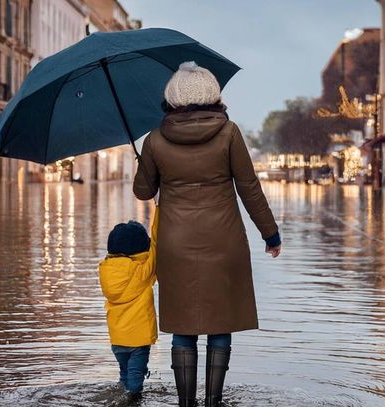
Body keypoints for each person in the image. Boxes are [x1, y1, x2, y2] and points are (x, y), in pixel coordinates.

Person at [133, 61, 281, 407]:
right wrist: (270, 234)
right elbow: (250, 188)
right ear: (212, 93)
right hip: (223, 239)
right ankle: (213, 403)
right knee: (220, 323)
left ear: (173, 96)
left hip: (176, 243)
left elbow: (143, 191)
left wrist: (144, 160)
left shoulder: (154, 140)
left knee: (183, 327)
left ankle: (186, 404)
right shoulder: (229, 133)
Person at [98, 207, 159, 400]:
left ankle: (122, 396)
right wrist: (159, 208)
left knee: (124, 376)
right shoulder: (141, 273)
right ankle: (131, 400)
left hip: (117, 340)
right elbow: (157, 245)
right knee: (134, 385)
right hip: (138, 341)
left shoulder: (105, 270)